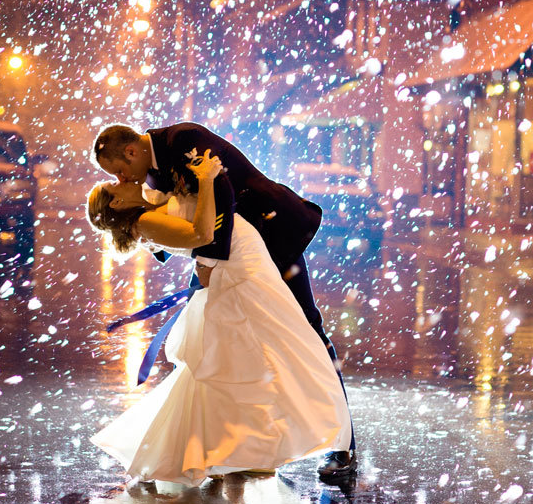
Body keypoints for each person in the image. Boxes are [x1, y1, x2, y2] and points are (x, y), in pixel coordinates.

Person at [91, 121, 356, 483]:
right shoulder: (149, 177)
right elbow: (179, 220)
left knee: (307, 329)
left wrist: (207, 262)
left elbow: (222, 191)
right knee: (217, 347)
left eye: (119, 170)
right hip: (225, 254)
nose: (122, 178)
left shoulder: (182, 140)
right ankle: (235, 445)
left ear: (132, 151)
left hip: (265, 237)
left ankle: (341, 446)